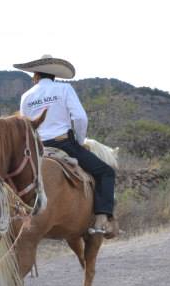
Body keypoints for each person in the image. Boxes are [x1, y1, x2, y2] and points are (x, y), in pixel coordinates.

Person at [14, 54, 116, 236]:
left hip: (37, 148)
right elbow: (80, 117)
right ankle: (102, 218)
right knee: (106, 172)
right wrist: (79, 141)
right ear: (53, 75)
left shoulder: (26, 96)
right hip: (63, 144)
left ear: (36, 75)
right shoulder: (64, 89)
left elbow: (25, 127)